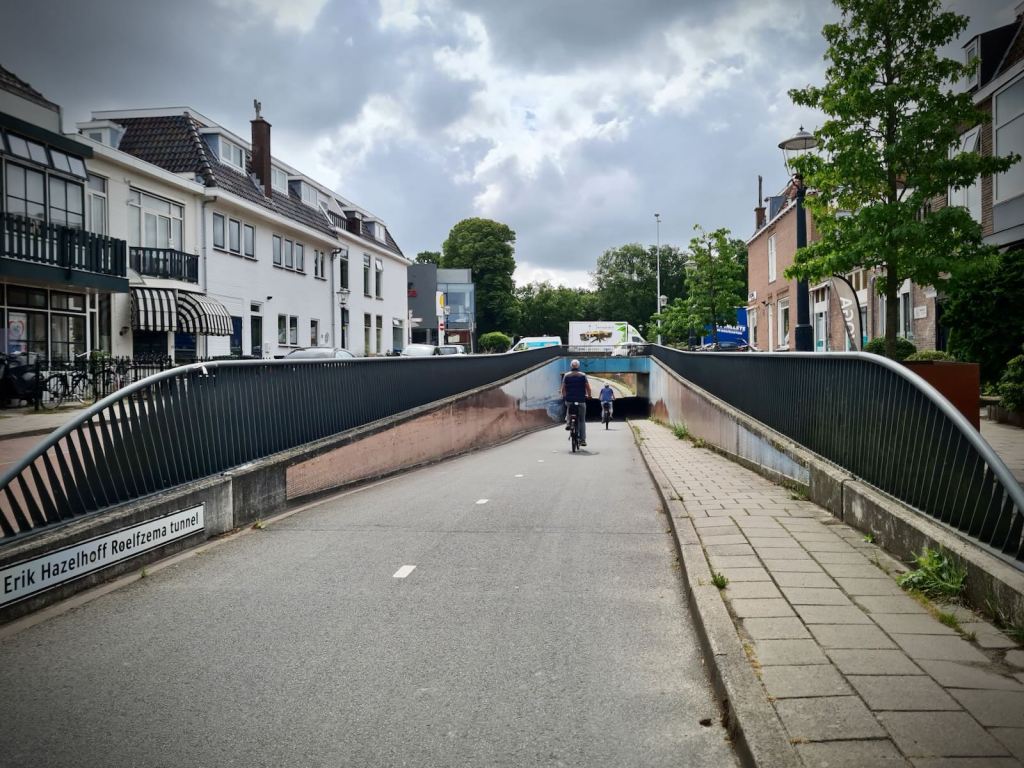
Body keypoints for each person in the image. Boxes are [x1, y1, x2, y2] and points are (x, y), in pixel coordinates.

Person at [560, 359, 592, 446]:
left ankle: (568, 423)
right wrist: (589, 396)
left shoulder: (566, 375)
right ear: (578, 366)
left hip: (570, 399)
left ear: (571, 366)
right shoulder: (583, 375)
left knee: (568, 407)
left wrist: (564, 396)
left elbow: (563, 389)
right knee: (582, 420)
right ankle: (582, 440)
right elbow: (588, 388)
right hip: (581, 400)